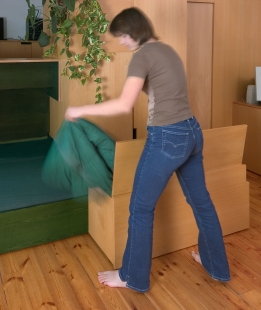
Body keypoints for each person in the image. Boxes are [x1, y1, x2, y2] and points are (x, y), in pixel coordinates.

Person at [64, 7, 230, 292]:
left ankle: (131, 276)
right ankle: (216, 265)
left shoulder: (142, 56)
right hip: (192, 132)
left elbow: (124, 105)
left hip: (167, 138)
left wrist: (78, 110)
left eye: (124, 37)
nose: (123, 43)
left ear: (134, 31)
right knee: (202, 203)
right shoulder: (167, 50)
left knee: (140, 208)